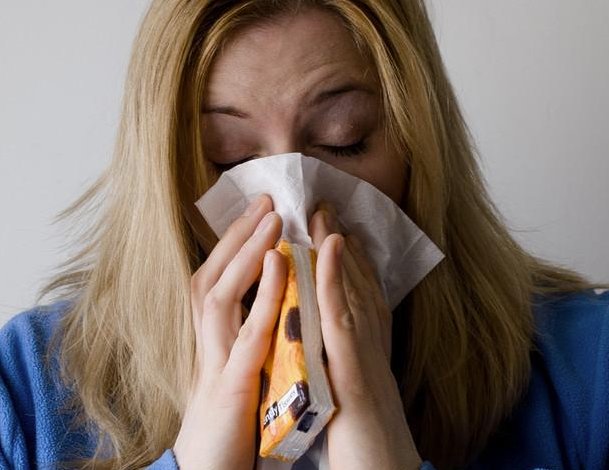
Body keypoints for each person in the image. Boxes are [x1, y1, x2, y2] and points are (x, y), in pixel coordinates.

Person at [1, 1, 607, 469]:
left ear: (419, 148)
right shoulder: (29, 386)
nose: (292, 207)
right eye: (228, 156)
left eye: (344, 140)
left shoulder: (588, 368)